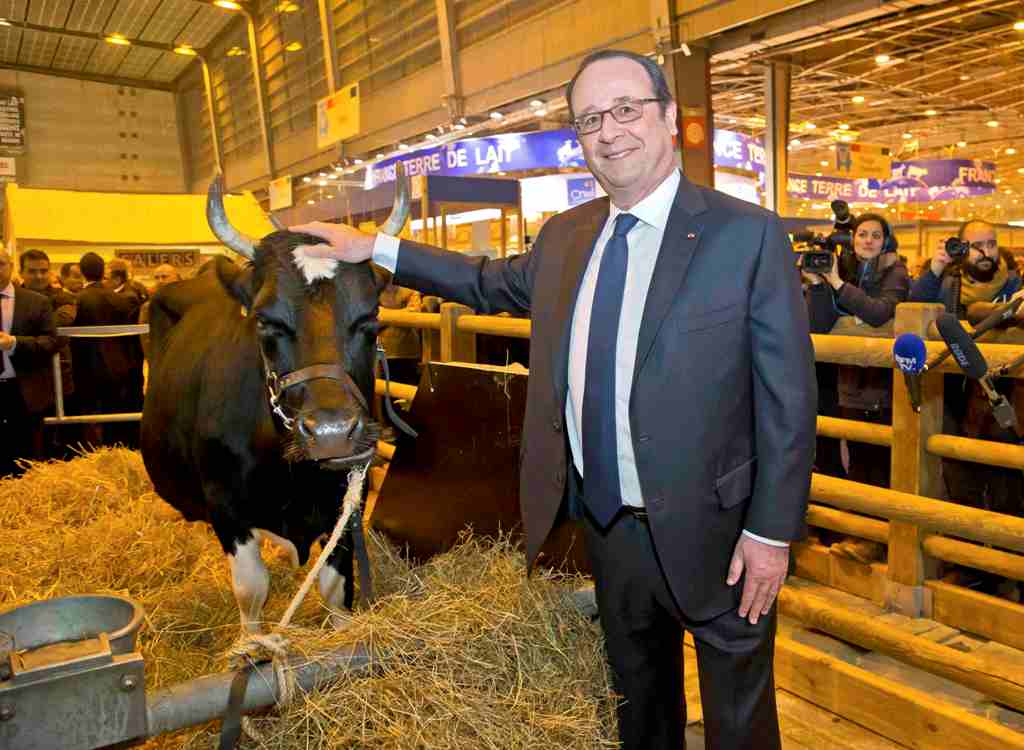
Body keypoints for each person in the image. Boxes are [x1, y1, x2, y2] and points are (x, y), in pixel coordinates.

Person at [292, 48, 816, 750]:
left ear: (668, 118)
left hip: (722, 532)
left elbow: (788, 400)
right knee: (640, 708)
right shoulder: (568, 236)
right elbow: (481, 280)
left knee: (740, 722)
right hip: (609, 526)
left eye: (627, 109)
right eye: (591, 119)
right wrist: (374, 248)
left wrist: (771, 532)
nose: (610, 130)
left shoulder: (745, 235)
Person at [802, 213, 909, 563]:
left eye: (876, 235)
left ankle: (877, 538)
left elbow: (879, 313)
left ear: (886, 240)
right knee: (856, 460)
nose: (867, 241)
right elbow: (818, 324)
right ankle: (855, 532)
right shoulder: (842, 265)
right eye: (862, 234)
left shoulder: (896, 271)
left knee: (879, 460)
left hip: (883, 383)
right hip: (847, 381)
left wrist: (836, 284)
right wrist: (819, 285)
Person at [72, 253, 143, 447]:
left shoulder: (78, 300)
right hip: (120, 366)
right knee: (116, 414)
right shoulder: (121, 299)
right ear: (103, 271)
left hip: (86, 367)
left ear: (82, 272)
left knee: (89, 417)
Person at [0, 248, 59, 477]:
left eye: (1, 263)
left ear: (12, 266)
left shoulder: (37, 302)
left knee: (26, 459)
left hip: (24, 390)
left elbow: (51, 341)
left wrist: (14, 343)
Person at [19, 250, 78, 452]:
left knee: (60, 435)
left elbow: (61, 325)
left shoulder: (63, 298)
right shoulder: (12, 298)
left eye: (43, 271)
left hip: (58, 374)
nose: (39, 276)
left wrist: (23, 332)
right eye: (32, 271)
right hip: (22, 375)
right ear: (21, 272)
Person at [910, 219, 1021, 313]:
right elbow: (915, 308)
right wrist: (935, 270)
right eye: (977, 245)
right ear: (962, 249)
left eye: (991, 245)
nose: (987, 253)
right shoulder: (948, 282)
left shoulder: (1014, 284)